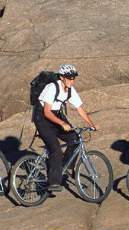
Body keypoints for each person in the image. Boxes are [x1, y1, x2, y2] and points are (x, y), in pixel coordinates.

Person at [33, 64, 97, 192]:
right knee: (56, 149)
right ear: (62, 77)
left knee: (75, 139)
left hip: (56, 115)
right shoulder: (52, 87)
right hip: (42, 117)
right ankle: (54, 182)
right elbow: (46, 112)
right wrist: (62, 124)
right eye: (69, 78)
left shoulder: (71, 90)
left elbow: (79, 108)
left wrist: (92, 124)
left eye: (73, 78)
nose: (72, 80)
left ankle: (64, 167)